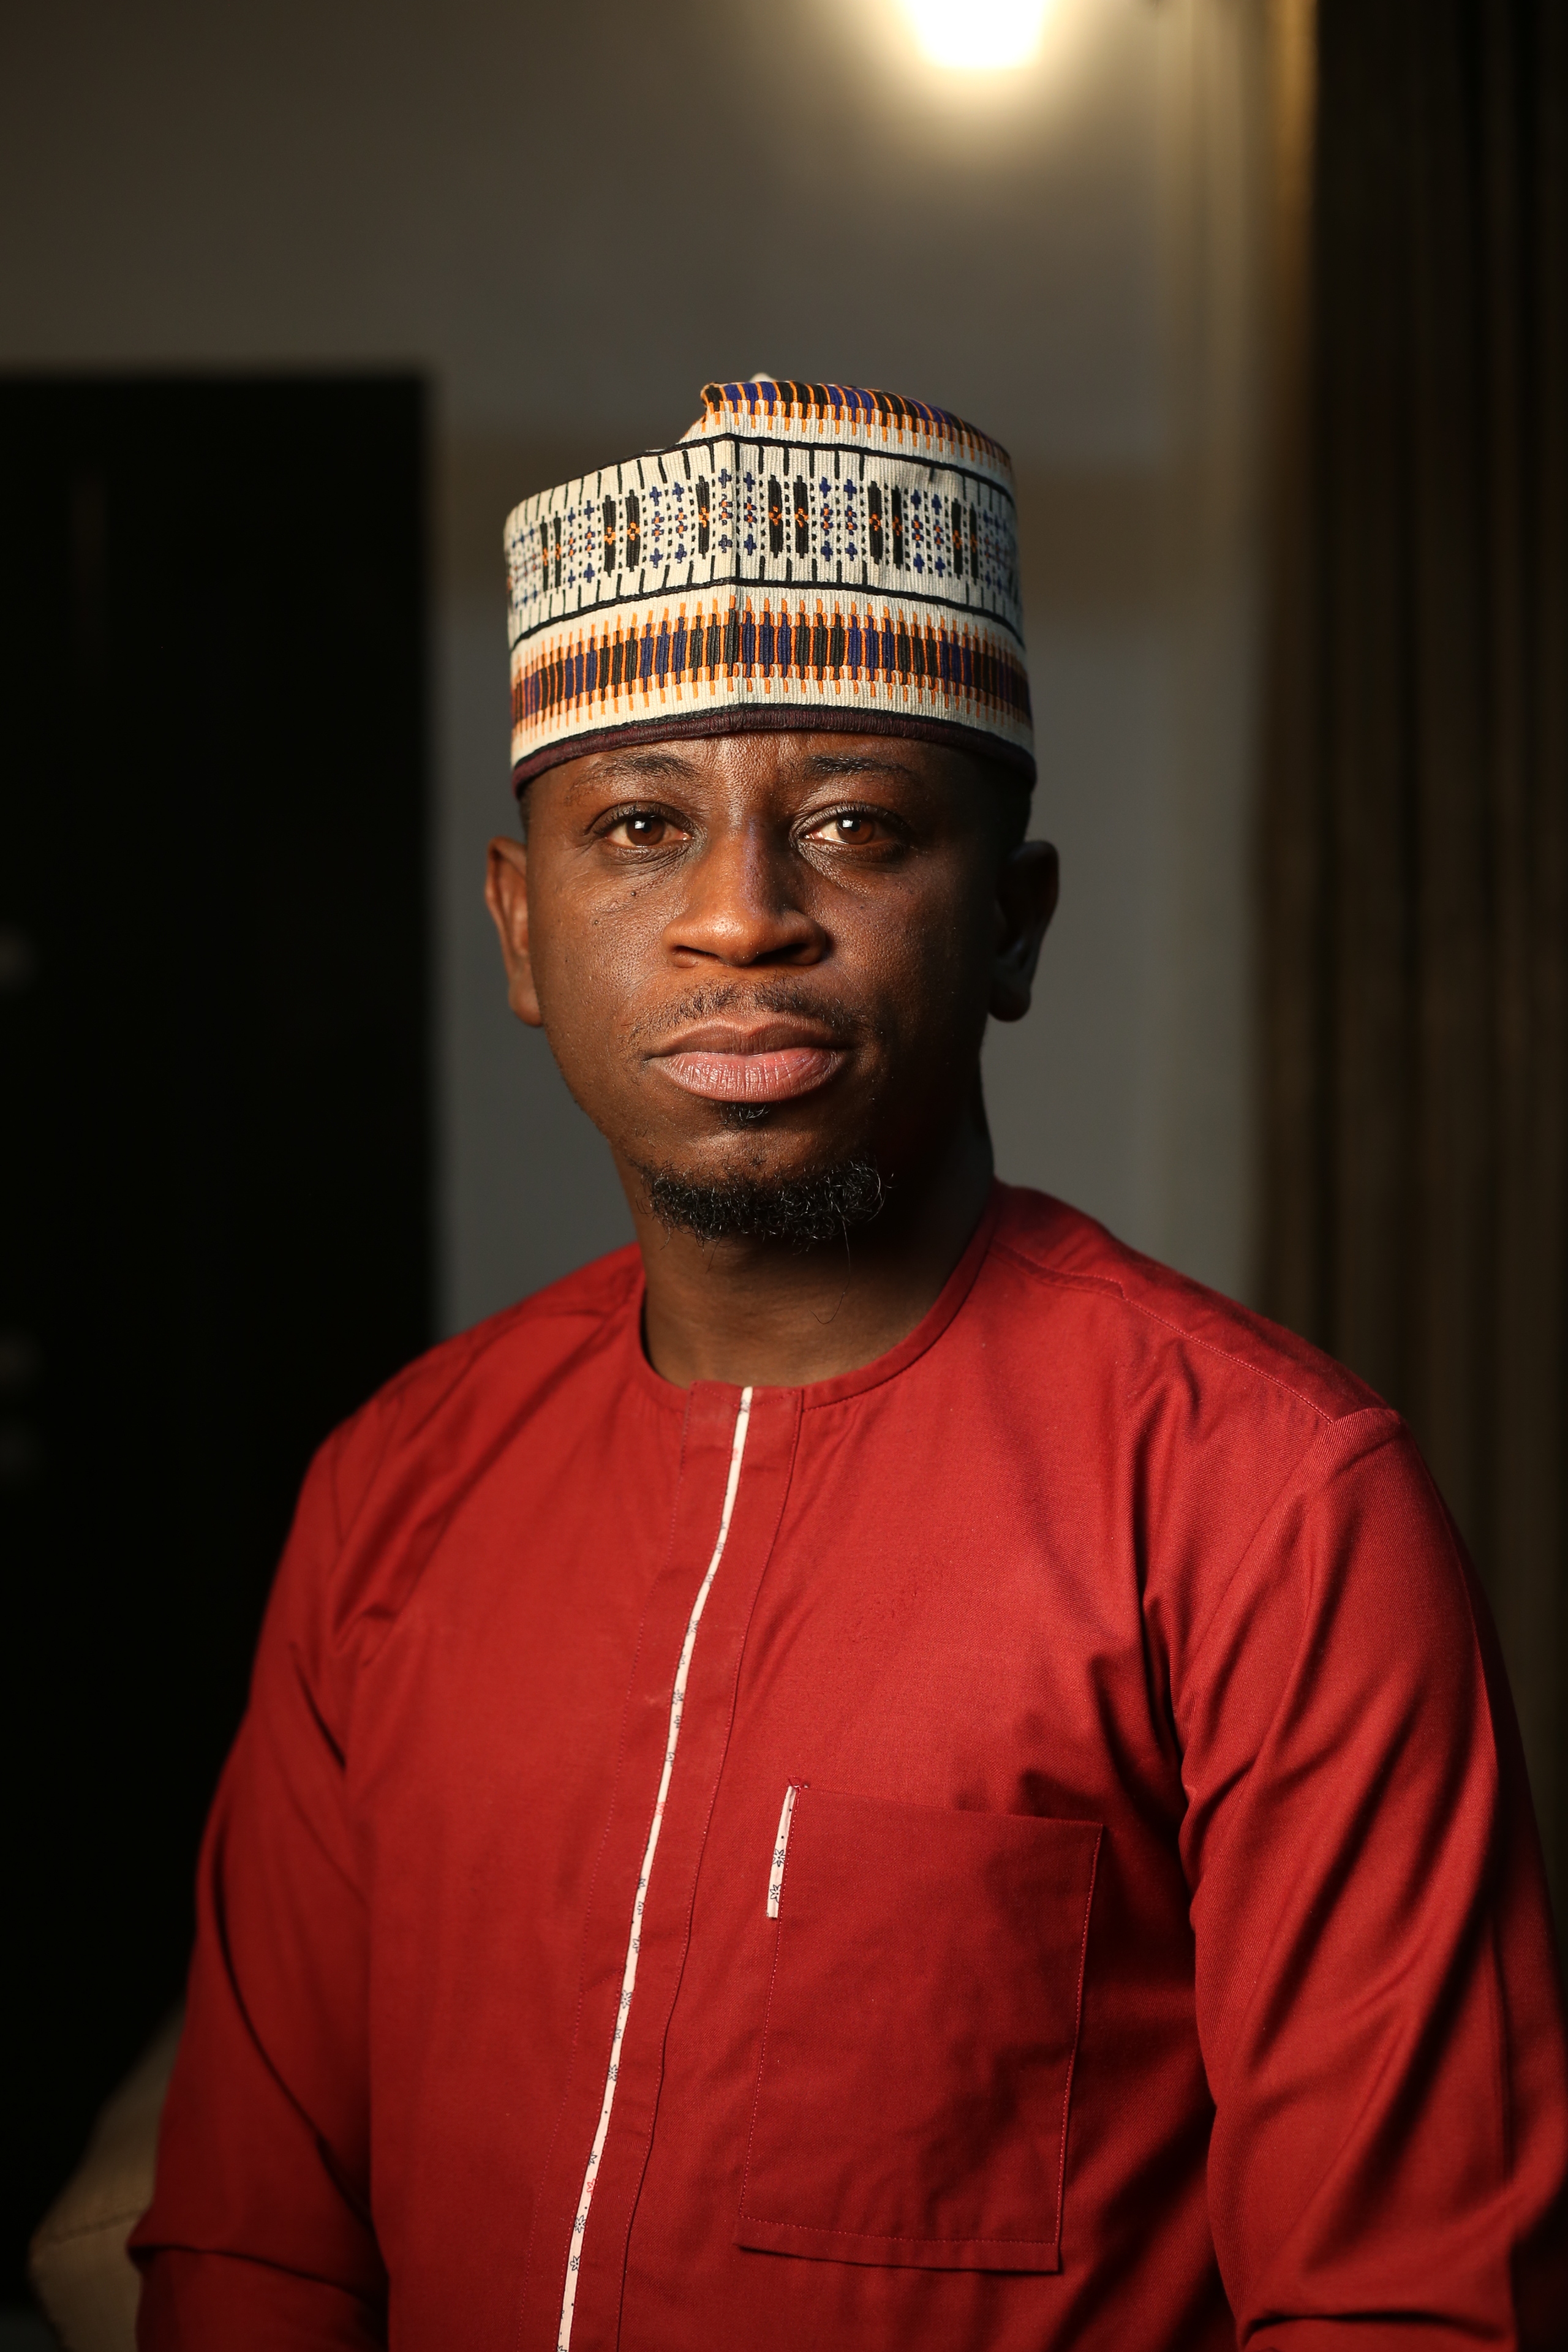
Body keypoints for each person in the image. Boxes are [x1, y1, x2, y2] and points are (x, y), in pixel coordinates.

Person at [133, 380, 1567, 2350]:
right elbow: (255, 2251)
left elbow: (1410, 2310)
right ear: (524, 929)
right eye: (642, 828)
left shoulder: (1268, 1506)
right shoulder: (395, 1487)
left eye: (855, 828)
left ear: (1013, 923)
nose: (741, 918)